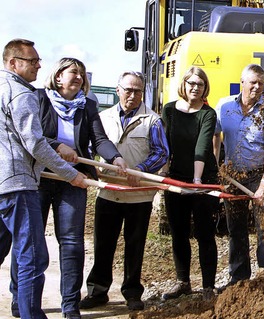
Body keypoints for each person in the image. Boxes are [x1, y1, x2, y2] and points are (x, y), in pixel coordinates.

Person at [8, 56, 128, 319]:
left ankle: (70, 306)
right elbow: (30, 136)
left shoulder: (88, 106)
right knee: (29, 243)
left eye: (82, 74)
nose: (79, 77)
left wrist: (115, 158)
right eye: (73, 72)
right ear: (58, 75)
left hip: (73, 179)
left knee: (72, 243)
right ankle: (21, 300)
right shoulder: (38, 98)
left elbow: (99, 139)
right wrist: (56, 146)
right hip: (40, 179)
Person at [0, 38, 87, 319]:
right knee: (33, 257)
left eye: (38, 60)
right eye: (32, 61)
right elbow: (35, 144)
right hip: (18, 184)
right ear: (13, 63)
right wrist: (71, 175)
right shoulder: (21, 93)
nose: (39, 65)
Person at [79, 71, 169, 311]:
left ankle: (131, 292)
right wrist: (93, 171)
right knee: (103, 243)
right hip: (108, 191)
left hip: (138, 194)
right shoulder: (102, 117)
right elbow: (89, 147)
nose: (132, 95)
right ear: (117, 90)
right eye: (128, 90)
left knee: (135, 244)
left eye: (137, 91)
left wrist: (138, 171)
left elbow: (161, 152)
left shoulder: (152, 120)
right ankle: (97, 291)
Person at [213, 64, 264, 285]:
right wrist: (217, 171)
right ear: (242, 82)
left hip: (259, 176)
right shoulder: (224, 107)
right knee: (236, 228)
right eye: (252, 82)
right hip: (232, 176)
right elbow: (216, 138)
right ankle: (239, 277)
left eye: (261, 83)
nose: (257, 87)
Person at [161, 66, 220, 299]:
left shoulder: (208, 113)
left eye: (200, 84)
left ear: (205, 88)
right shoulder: (169, 111)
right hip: (176, 178)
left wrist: (197, 181)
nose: (195, 88)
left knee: (205, 234)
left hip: (203, 179)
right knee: (179, 232)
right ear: (183, 85)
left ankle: (208, 286)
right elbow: (164, 144)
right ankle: (183, 281)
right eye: (191, 83)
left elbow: (203, 146)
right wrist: (163, 174)